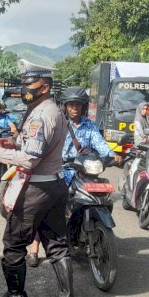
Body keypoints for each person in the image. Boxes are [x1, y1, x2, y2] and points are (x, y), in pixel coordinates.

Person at [0, 69, 78, 297]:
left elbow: (29, 160)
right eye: (23, 83)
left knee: (14, 243)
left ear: (45, 87)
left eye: (30, 84)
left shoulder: (41, 116)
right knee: (57, 244)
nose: (25, 89)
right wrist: (12, 144)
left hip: (36, 189)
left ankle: (16, 296)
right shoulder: (50, 111)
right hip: (54, 186)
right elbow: (35, 147)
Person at [26, 87, 119, 268]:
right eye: (71, 105)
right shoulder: (59, 122)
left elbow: (100, 143)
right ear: (65, 106)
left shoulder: (89, 125)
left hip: (84, 172)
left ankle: (89, 234)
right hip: (61, 172)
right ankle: (34, 248)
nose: (75, 108)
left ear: (83, 107)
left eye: (78, 104)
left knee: (103, 199)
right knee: (46, 207)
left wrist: (112, 155)